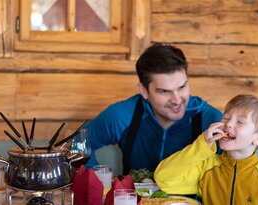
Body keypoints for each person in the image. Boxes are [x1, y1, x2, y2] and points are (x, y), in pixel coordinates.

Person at [84, 43, 222, 174]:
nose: (177, 100)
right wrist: (97, 183)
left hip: (191, 199)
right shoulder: (123, 115)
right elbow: (79, 145)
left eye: (182, 87)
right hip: (136, 197)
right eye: (164, 91)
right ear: (144, 90)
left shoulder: (210, 119)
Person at [154, 94, 258, 205]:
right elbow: (163, 179)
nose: (228, 124)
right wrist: (202, 146)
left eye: (240, 122)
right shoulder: (206, 167)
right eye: (226, 118)